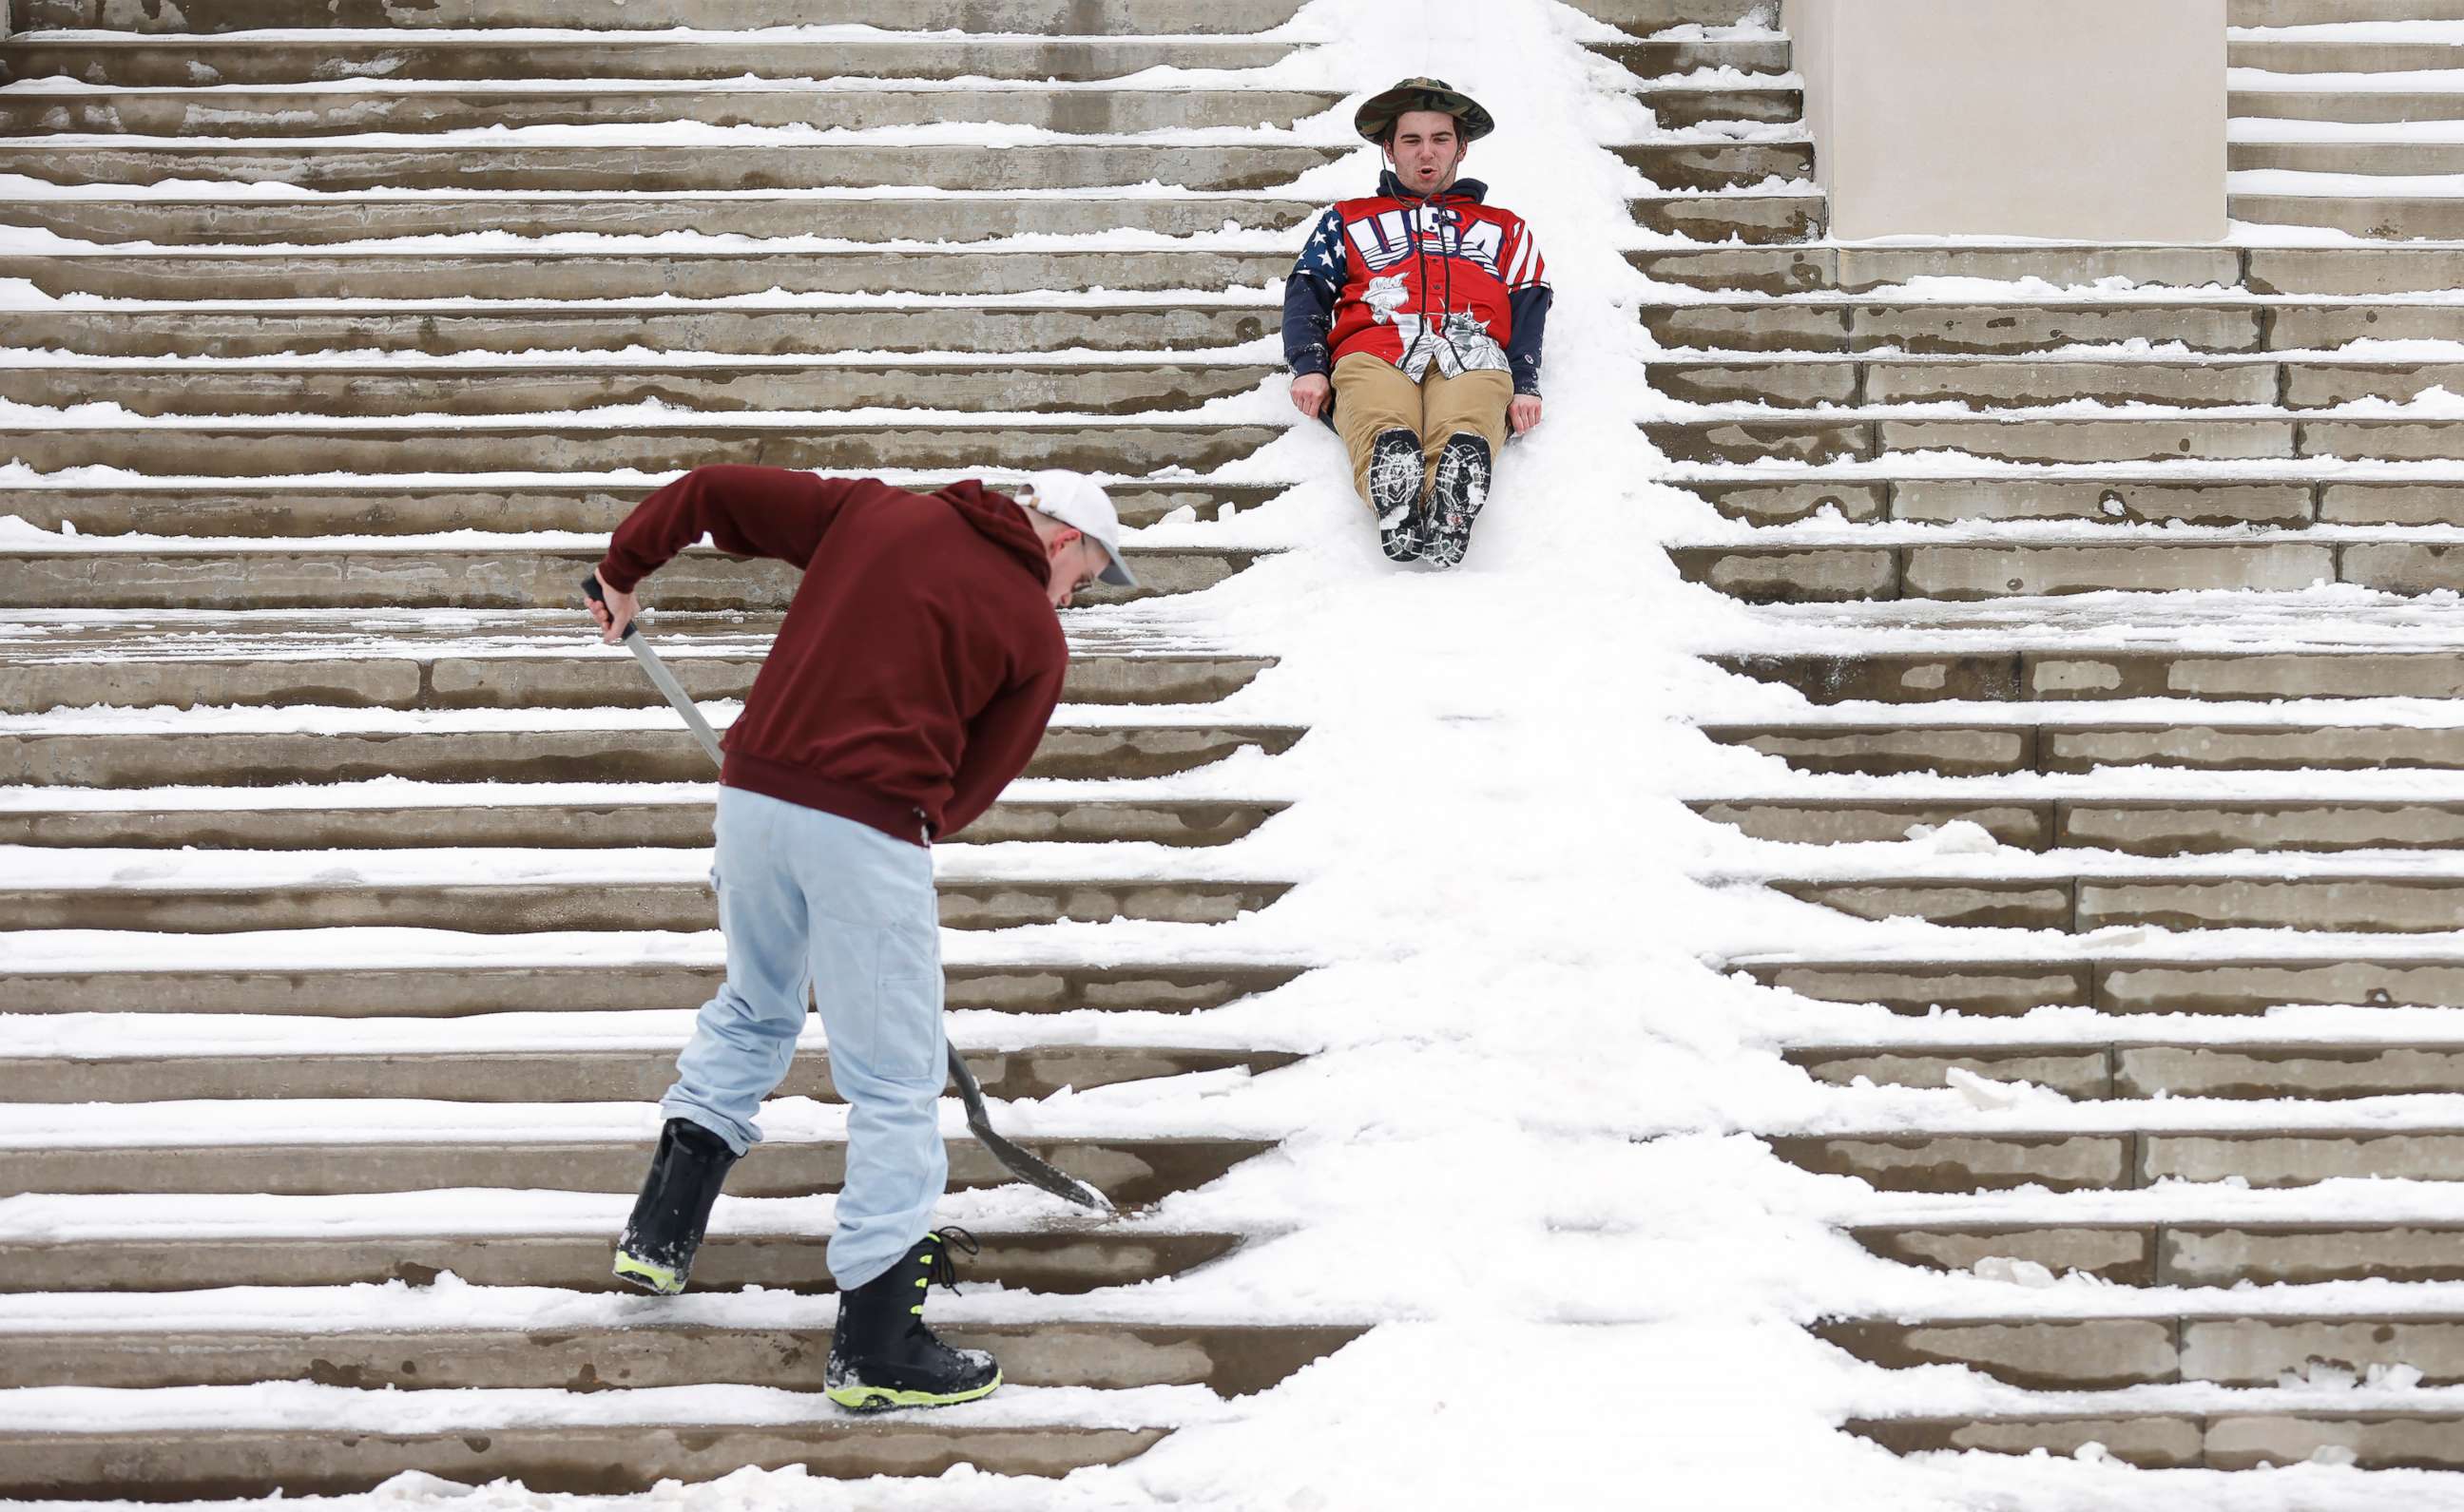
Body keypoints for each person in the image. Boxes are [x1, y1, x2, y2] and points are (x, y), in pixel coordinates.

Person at [585, 463, 1133, 1413]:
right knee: (893, 1078)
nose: (1074, 597)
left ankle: (660, 1233)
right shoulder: (1036, 637)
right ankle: (878, 1341)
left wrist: (622, 575)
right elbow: (967, 794)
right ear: (1060, 536)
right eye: (1084, 577)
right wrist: (890, 801)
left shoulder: (873, 509)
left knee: (755, 1005)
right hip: (870, 823)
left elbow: (713, 489)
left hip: (754, 798)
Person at [1283, 77, 1550, 569]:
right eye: (1411, 140)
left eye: (1440, 139)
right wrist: (1309, 365)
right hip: (1375, 346)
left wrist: (1525, 382)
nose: (1426, 154)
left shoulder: (1505, 227)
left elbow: (1529, 305)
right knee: (1381, 418)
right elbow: (1307, 290)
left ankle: (1451, 500)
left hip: (1472, 348)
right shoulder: (1346, 219)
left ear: (1461, 148)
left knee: (1467, 420)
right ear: (1390, 149)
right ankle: (1396, 495)